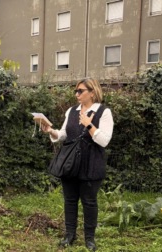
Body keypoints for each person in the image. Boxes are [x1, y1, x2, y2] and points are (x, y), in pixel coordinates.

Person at [41, 78, 114, 251]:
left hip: (92, 163)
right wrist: (51, 131)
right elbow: (64, 134)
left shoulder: (103, 112)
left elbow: (104, 141)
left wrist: (89, 125)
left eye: (80, 91)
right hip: (71, 162)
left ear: (92, 92)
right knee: (70, 201)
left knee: (89, 202)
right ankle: (70, 235)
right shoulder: (71, 111)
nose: (77, 94)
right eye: (76, 91)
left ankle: (90, 239)